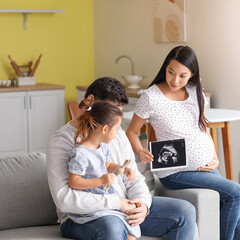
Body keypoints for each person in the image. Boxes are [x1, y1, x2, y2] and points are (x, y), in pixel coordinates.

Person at [47, 77, 196, 240]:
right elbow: (64, 198)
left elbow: (133, 177)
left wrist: (142, 204)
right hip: (82, 217)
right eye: (111, 110)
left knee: (184, 211)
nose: (114, 119)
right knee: (112, 226)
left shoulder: (117, 134)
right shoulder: (62, 141)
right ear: (90, 100)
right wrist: (117, 203)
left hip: (121, 206)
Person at [126, 46, 240, 240]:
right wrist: (140, 150)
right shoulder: (150, 97)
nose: (175, 80)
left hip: (204, 166)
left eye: (183, 76)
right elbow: (131, 132)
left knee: (237, 212)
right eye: (171, 72)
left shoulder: (195, 92)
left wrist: (214, 156)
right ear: (165, 68)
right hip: (175, 171)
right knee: (237, 194)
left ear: (192, 75)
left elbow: (203, 128)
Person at [67, 101, 139, 240]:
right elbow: (74, 182)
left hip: (105, 198)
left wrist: (121, 169)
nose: (118, 133)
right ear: (105, 129)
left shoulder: (103, 146)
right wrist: (101, 180)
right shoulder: (80, 154)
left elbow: (107, 165)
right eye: (117, 129)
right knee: (128, 235)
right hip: (90, 206)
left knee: (131, 234)